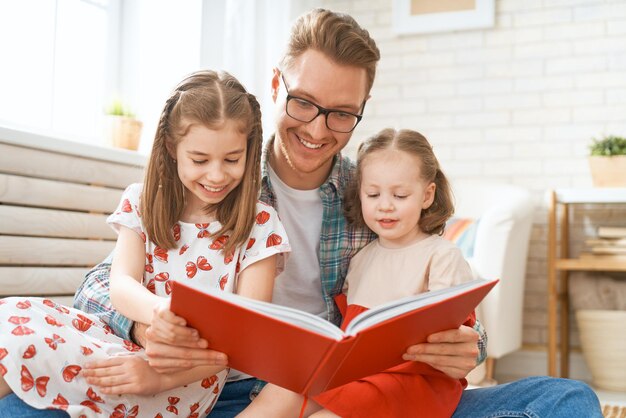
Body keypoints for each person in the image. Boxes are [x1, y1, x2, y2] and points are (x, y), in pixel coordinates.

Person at [1, 8, 602, 418]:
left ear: (363, 110)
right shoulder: (222, 179)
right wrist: (150, 331)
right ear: (275, 84)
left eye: (341, 113)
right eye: (305, 103)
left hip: (343, 396)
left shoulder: (374, 197)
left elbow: (440, 293)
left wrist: (466, 347)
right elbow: (100, 287)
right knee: (15, 404)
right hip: (218, 392)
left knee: (568, 400)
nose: (317, 129)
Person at [0, 70, 290, 417]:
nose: (216, 175)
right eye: (199, 160)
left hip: (185, 378)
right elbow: (120, 284)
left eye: (231, 159)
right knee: (13, 318)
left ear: (249, 150)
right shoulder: (143, 201)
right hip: (126, 340)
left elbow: (246, 335)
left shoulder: (261, 223)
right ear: (171, 147)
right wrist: (158, 311)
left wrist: (155, 376)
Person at [241, 128, 478, 418]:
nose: (385, 205)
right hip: (358, 373)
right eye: (373, 194)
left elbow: (453, 333)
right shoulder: (361, 258)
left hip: (412, 379)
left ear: (427, 195)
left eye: (400, 195)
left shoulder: (441, 255)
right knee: (280, 392)